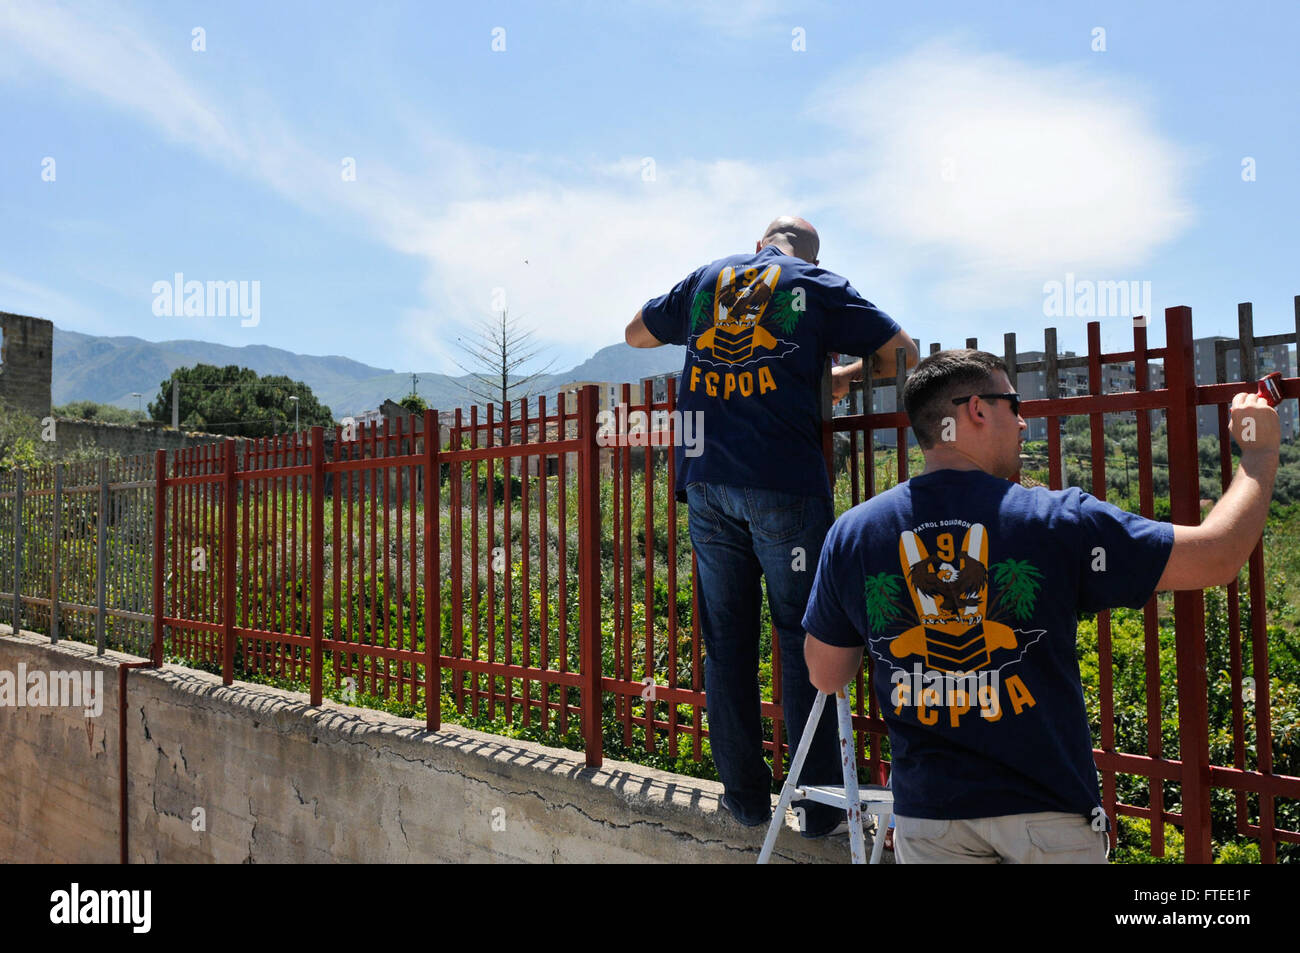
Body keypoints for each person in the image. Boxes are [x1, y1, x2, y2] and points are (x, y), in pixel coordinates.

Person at [802, 349, 1281, 862]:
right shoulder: (1056, 521)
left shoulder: (854, 533)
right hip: (1047, 816)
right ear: (977, 411)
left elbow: (827, 675)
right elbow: (1217, 556)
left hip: (930, 817)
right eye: (1014, 403)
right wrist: (1258, 454)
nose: (1024, 421)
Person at [626, 216, 917, 836]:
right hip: (781, 483)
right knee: (802, 635)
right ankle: (816, 808)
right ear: (809, 251)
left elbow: (634, 333)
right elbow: (903, 355)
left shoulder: (707, 280)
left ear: (760, 244)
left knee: (726, 641)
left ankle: (747, 801)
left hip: (705, 485)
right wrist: (838, 377)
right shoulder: (816, 283)